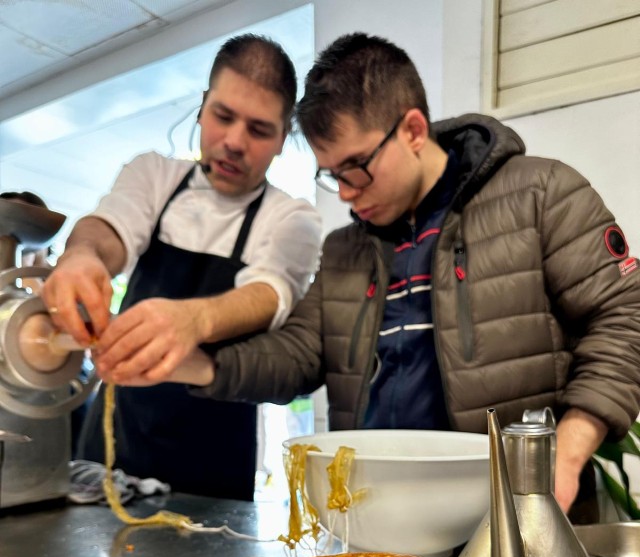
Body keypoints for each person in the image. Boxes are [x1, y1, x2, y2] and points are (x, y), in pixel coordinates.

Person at [119, 32, 640, 521]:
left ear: (412, 130)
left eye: (356, 167)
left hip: (513, 518)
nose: (344, 193)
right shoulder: (345, 250)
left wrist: (568, 453)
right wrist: (190, 364)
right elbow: (297, 356)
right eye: (331, 174)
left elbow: (625, 315)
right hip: (379, 522)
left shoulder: (540, 195)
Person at [41, 34, 322, 500]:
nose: (233, 142)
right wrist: (82, 256)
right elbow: (110, 229)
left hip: (213, 460)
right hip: (115, 442)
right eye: (223, 116)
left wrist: (194, 320)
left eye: (258, 129)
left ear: (282, 137)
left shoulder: (292, 217)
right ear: (201, 106)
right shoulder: (154, 175)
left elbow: (271, 293)